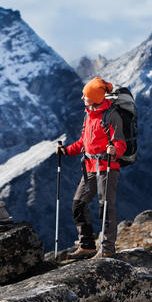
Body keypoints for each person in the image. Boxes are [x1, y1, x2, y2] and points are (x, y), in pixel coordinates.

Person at [57, 77, 126, 258]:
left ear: (95, 98)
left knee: (105, 208)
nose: (82, 98)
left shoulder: (112, 116)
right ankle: (87, 245)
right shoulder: (89, 114)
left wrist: (114, 150)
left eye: (85, 96)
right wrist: (66, 151)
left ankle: (107, 249)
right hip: (89, 168)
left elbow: (121, 143)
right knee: (78, 204)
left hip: (107, 167)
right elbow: (83, 142)